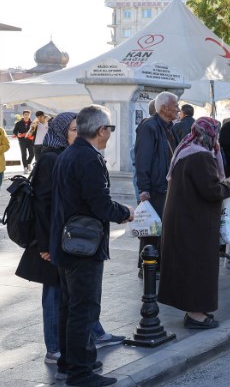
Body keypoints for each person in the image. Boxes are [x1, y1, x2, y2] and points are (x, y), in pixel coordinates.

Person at [15, 113, 123, 366]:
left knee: (74, 298)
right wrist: (45, 245)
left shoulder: (66, 155)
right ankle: (57, 349)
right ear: (63, 131)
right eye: (74, 129)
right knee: (61, 297)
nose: (78, 133)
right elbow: (44, 205)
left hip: (65, 237)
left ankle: (86, 341)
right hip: (56, 239)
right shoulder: (53, 159)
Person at [49, 104, 134, 387]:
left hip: (68, 242)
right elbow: (100, 204)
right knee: (83, 308)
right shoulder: (87, 159)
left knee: (70, 307)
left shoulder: (70, 154)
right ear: (101, 130)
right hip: (81, 246)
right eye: (109, 129)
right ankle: (80, 372)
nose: (110, 134)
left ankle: (69, 363)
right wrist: (126, 213)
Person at [158, 117, 230, 328]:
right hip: (195, 221)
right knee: (197, 266)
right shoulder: (201, 156)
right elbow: (211, 190)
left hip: (184, 218)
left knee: (189, 265)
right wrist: (228, 185)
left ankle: (196, 310)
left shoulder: (187, 149)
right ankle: (195, 314)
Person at [134, 91, 180, 278]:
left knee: (162, 228)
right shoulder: (149, 126)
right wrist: (144, 188)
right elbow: (142, 159)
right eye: (175, 106)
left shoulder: (168, 127)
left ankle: (159, 264)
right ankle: (147, 267)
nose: (178, 109)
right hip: (155, 187)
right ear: (163, 108)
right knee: (151, 229)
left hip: (166, 185)